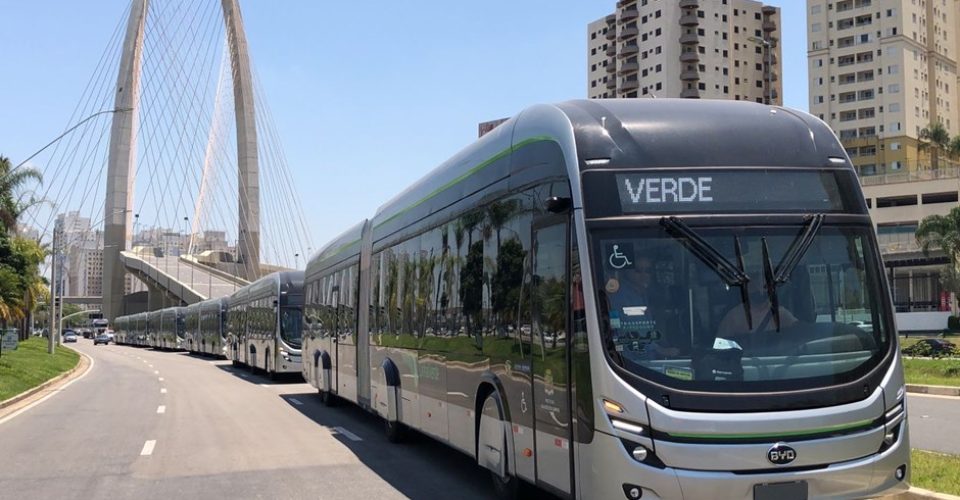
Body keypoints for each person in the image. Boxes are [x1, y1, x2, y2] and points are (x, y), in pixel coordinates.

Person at [603, 253, 680, 359]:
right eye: (638, 271)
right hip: (630, 362)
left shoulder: (642, 295)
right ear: (627, 272)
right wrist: (662, 350)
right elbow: (629, 332)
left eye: (647, 271)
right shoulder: (621, 297)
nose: (644, 275)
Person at [716, 267, 799, 338]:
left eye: (764, 279)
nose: (760, 286)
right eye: (755, 278)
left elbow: (800, 334)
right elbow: (720, 349)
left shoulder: (781, 315)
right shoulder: (733, 317)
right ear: (746, 285)